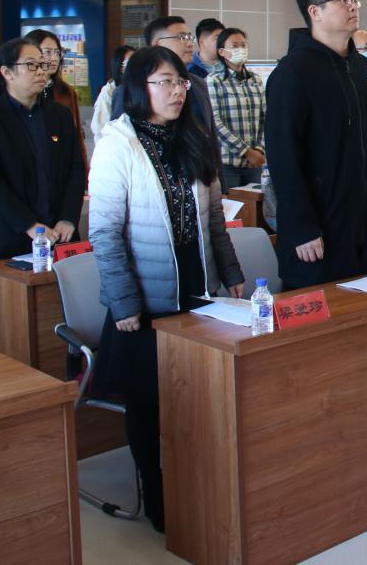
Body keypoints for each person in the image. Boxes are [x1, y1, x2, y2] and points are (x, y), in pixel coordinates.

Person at [88, 45, 244, 533]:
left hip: (197, 289)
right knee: (149, 400)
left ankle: (192, 482)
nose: (177, 91)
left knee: (195, 392)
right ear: (140, 88)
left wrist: (232, 274)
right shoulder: (118, 143)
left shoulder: (194, 137)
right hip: (145, 297)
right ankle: (154, 493)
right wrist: (123, 303)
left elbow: (215, 220)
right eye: (164, 82)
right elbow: (104, 232)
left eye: (179, 82)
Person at [264, 0, 367, 289]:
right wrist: (302, 227)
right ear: (315, 11)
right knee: (323, 314)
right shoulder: (292, 72)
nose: (352, 5)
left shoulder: (364, 70)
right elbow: (283, 158)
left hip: (365, 223)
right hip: (317, 231)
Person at [0, 38, 85, 259]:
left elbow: (75, 170)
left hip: (59, 234)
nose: (41, 71)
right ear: (7, 73)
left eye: (42, 64)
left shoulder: (59, 114)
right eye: (31, 65)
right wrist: (29, 224)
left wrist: (68, 218)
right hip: (8, 235)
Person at [112, 17, 215, 137]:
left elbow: (210, 131)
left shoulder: (199, 83)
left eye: (190, 38)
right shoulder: (130, 89)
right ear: (157, 44)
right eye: (181, 37)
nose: (190, 44)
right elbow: (121, 135)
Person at [207, 27, 266, 187]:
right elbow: (215, 122)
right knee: (231, 202)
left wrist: (259, 150)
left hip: (254, 163)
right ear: (222, 51)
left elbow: (265, 118)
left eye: (243, 45)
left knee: (254, 202)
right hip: (228, 163)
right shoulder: (214, 80)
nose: (240, 49)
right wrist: (246, 151)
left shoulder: (256, 79)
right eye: (234, 46)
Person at [24, 29, 88, 167]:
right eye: (47, 52)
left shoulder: (66, 92)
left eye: (57, 52)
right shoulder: (22, 92)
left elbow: (77, 137)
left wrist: (84, 172)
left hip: (62, 166)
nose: (54, 58)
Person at [91, 45, 134, 144]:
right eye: (130, 62)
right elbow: (100, 128)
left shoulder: (141, 88)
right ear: (120, 68)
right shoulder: (109, 91)